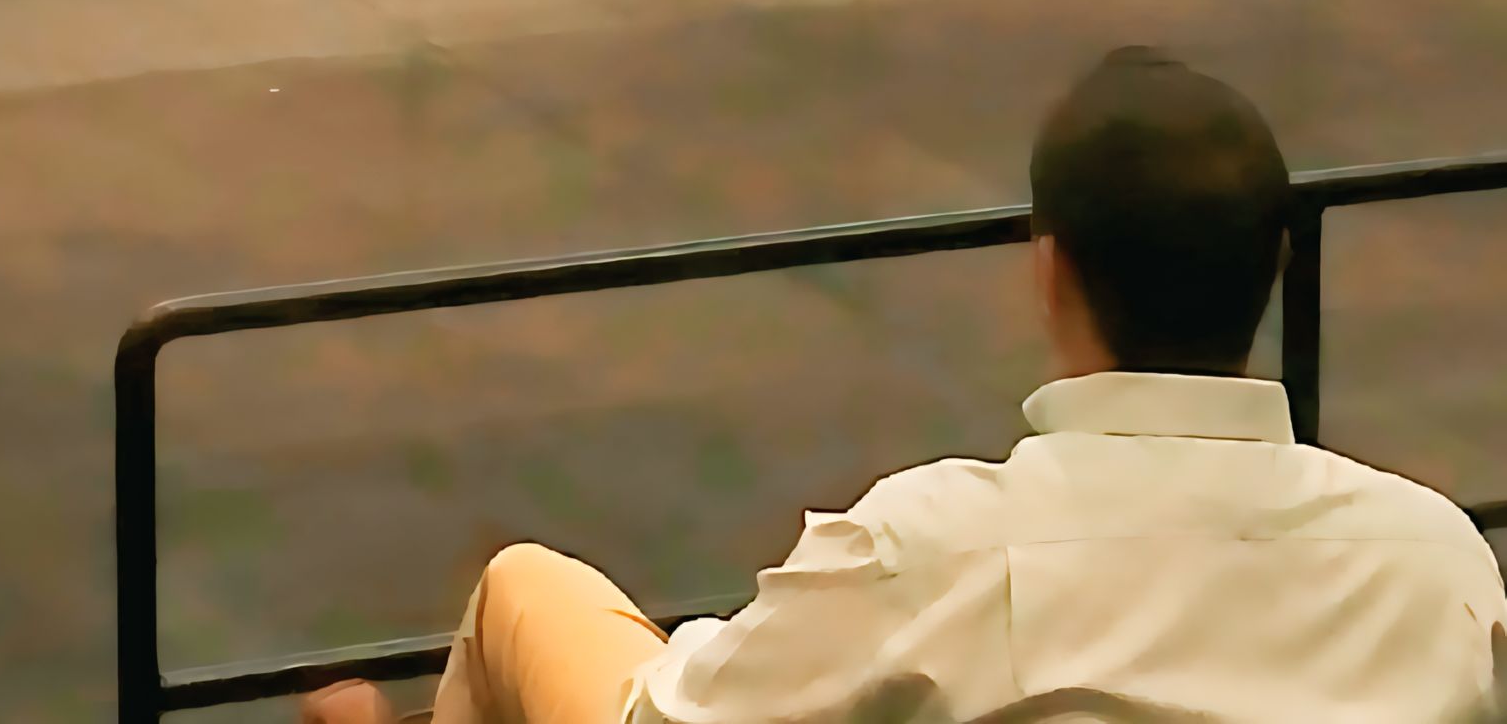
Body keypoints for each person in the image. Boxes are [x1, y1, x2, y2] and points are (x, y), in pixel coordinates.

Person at [308, 46, 1507, 724]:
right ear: (1275, 267)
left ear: (1050, 274)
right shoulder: (1441, 564)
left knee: (526, 591)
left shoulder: (937, 549)